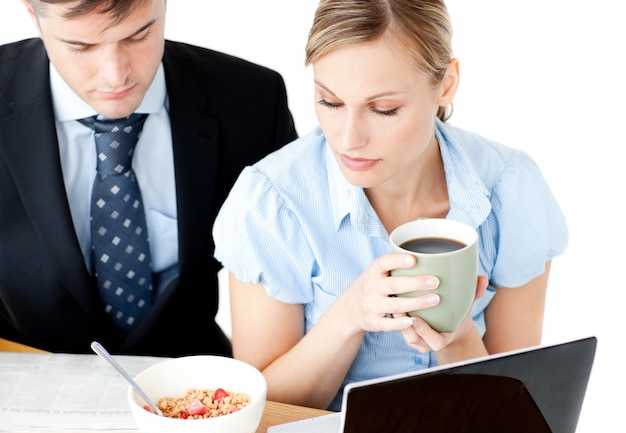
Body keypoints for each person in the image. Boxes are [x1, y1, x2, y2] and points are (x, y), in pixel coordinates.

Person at [213, 0, 568, 411]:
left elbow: (513, 407)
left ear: (446, 84)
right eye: (330, 102)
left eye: (384, 109)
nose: (348, 139)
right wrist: (349, 315)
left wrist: (458, 338)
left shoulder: (511, 188)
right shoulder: (271, 201)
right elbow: (258, 410)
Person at [0, 0, 297, 356]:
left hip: (193, 381)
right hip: (20, 375)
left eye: (139, 35)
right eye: (81, 47)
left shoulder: (252, 100)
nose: (115, 75)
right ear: (34, 17)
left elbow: (299, 266)